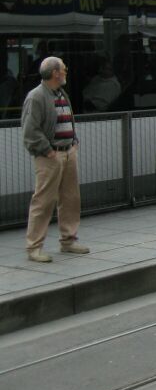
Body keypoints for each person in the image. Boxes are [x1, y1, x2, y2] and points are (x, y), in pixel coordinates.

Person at [21, 56, 89, 263]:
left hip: (67, 152)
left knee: (70, 198)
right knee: (43, 201)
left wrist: (74, 141)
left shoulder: (60, 93)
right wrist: (48, 151)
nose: (66, 72)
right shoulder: (37, 97)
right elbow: (30, 130)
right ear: (55, 73)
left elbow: (67, 120)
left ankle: (68, 240)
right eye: (64, 69)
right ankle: (34, 247)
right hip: (50, 156)